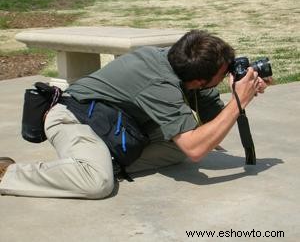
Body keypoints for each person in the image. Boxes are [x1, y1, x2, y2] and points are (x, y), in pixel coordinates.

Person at [0, 30, 271, 199]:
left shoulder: (183, 67)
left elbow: (211, 128)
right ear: (199, 81)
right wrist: (239, 100)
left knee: (178, 150)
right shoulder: (160, 83)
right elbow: (197, 148)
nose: (226, 76)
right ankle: (8, 173)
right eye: (223, 74)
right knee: (98, 182)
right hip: (73, 117)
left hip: (116, 124)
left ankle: (104, 160)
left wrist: (242, 97)